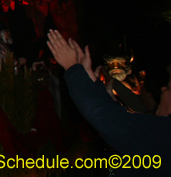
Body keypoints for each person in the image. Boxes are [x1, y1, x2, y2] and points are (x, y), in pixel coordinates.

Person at [46, 30, 171, 175]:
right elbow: (118, 118)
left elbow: (106, 118)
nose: (163, 89)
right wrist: (89, 77)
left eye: (168, 87)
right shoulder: (161, 135)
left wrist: (73, 69)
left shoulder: (164, 135)